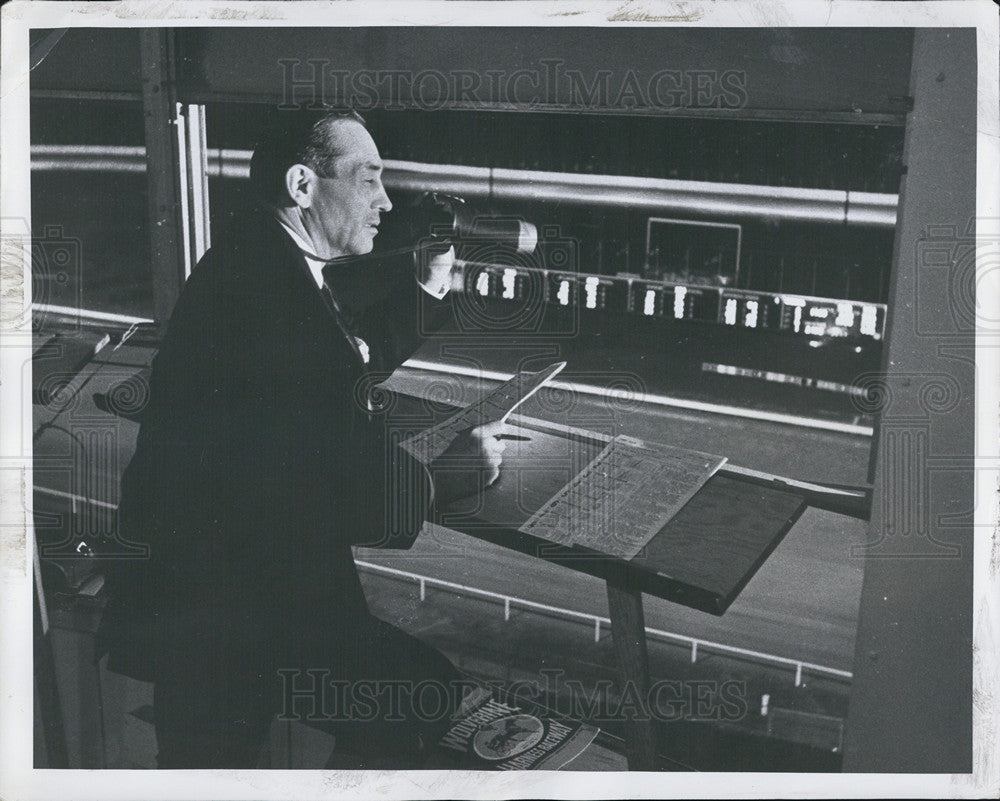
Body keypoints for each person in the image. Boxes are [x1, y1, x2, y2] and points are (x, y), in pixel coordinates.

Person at [98, 109, 505, 768]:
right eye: (369, 179)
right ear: (302, 184)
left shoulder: (257, 259)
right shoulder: (275, 293)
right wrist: (444, 479)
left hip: (203, 592)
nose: (386, 200)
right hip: (241, 613)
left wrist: (427, 290)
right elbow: (331, 483)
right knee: (419, 691)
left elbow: (339, 360)